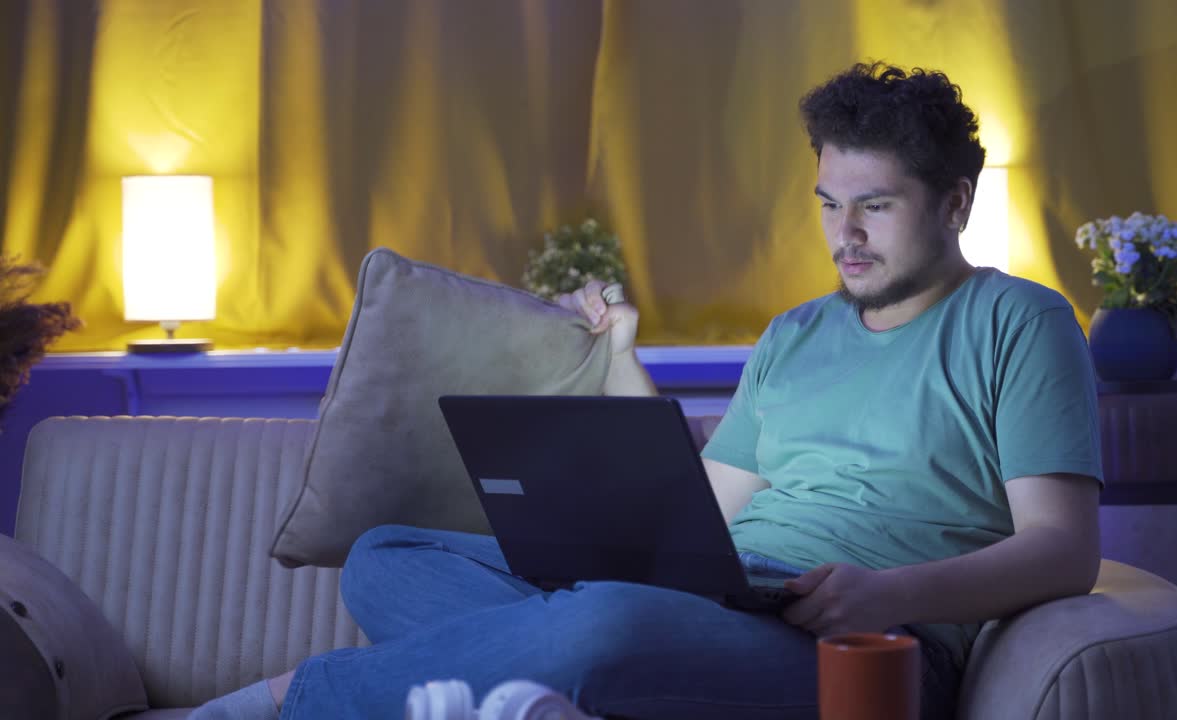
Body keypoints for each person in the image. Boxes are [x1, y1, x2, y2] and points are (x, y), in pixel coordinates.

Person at [191, 61, 1102, 720]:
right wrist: (621, 355)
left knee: (607, 620)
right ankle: (565, 687)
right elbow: (701, 510)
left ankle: (290, 702)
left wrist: (890, 595)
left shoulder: (1020, 322)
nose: (845, 233)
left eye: (877, 204)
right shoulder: (796, 334)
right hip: (732, 597)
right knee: (383, 555)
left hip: (862, 642)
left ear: (955, 204)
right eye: (829, 202)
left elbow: (1064, 552)